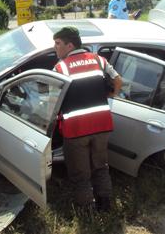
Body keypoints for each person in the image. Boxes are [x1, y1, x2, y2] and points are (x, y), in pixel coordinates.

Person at [52, 26, 122, 212]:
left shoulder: (61, 67)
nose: (55, 48)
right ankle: (105, 204)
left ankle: (87, 211)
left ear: (70, 45)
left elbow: (53, 99)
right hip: (102, 124)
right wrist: (109, 95)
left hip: (76, 129)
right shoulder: (99, 60)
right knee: (100, 165)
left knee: (79, 172)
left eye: (58, 44)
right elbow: (118, 80)